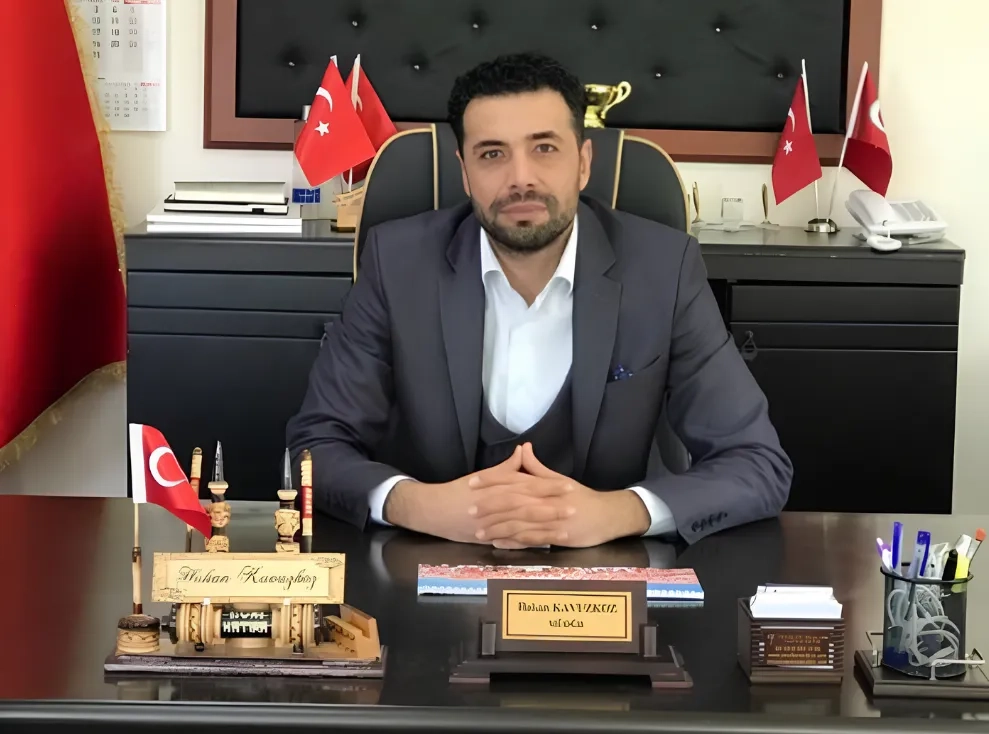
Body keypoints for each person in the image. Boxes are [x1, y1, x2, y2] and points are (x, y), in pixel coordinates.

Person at [287, 53, 792, 548]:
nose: (521, 178)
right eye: (492, 154)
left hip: (608, 573)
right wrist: (418, 505)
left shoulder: (664, 269)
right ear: (464, 173)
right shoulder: (397, 263)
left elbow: (757, 463)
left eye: (545, 148)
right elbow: (315, 446)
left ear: (583, 163)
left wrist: (618, 512)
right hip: (426, 564)